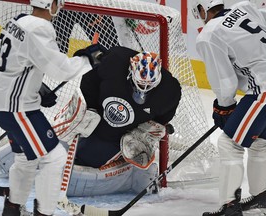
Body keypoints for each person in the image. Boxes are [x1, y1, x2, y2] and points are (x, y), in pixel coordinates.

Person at [0, 0, 105, 215]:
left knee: (27, 157)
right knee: (55, 157)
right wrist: (88, 60)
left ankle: (13, 208)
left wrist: (36, 86)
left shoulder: (18, 20)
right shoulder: (40, 28)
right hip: (18, 109)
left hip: (3, 104)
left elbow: (16, 62)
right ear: (51, 3)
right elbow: (60, 69)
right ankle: (44, 212)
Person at [53, 46, 182, 196]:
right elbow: (90, 78)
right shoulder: (114, 61)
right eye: (139, 84)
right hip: (97, 114)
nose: (143, 90)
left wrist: (141, 132)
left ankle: (121, 162)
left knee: (88, 159)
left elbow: (162, 119)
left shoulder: (169, 91)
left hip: (116, 135)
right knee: (57, 144)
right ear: (130, 71)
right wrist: (91, 108)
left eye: (149, 86)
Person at [192, 0, 266, 215]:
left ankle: (229, 207)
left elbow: (224, 80)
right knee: (262, 142)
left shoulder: (209, 34)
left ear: (202, 9)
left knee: (229, 144)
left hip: (265, 89)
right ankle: (262, 196)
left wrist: (223, 107)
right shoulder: (244, 7)